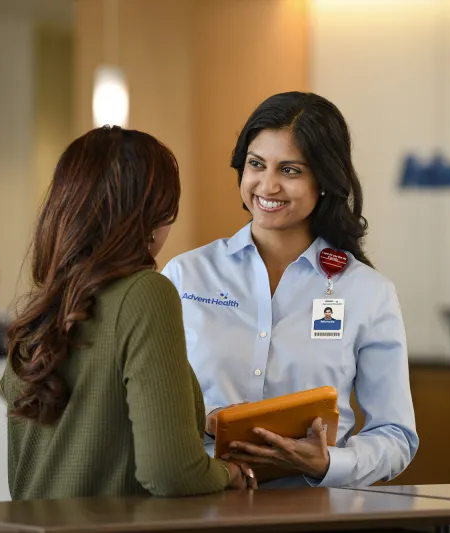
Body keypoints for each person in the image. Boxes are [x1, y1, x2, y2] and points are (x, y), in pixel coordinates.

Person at [161, 91, 418, 488]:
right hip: (200, 504)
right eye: (256, 164)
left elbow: (396, 435)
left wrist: (328, 462)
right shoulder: (187, 275)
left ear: (326, 180)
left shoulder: (367, 292)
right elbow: (147, 406)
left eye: (291, 170)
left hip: (314, 512)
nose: (268, 185)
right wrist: (206, 419)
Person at [0, 126, 256, 500]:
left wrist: (195, 422)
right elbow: (172, 473)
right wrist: (231, 473)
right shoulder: (145, 292)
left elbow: (83, 432)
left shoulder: (40, 312)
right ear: (151, 216)